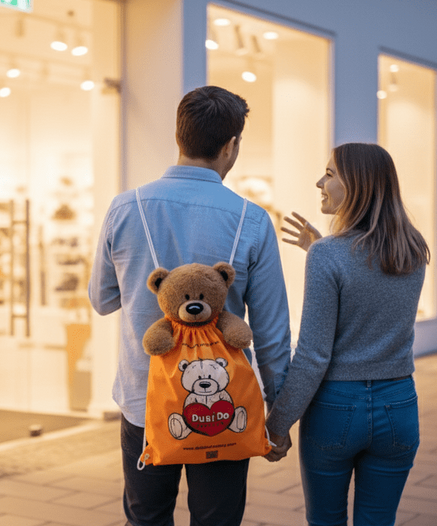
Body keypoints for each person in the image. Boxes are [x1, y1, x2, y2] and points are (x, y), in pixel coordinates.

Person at [89, 85, 292, 526]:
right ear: (231, 145)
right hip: (225, 406)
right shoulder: (252, 220)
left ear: (178, 136)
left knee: (146, 518)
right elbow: (272, 333)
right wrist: (278, 415)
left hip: (144, 399)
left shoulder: (125, 208)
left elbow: (102, 300)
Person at [264, 142, 430, 526]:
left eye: (329, 174)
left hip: (336, 409)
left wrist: (277, 424)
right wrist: (319, 248)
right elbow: (369, 283)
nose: (319, 182)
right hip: (399, 405)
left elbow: (313, 356)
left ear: (357, 184)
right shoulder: (412, 248)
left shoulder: (329, 255)